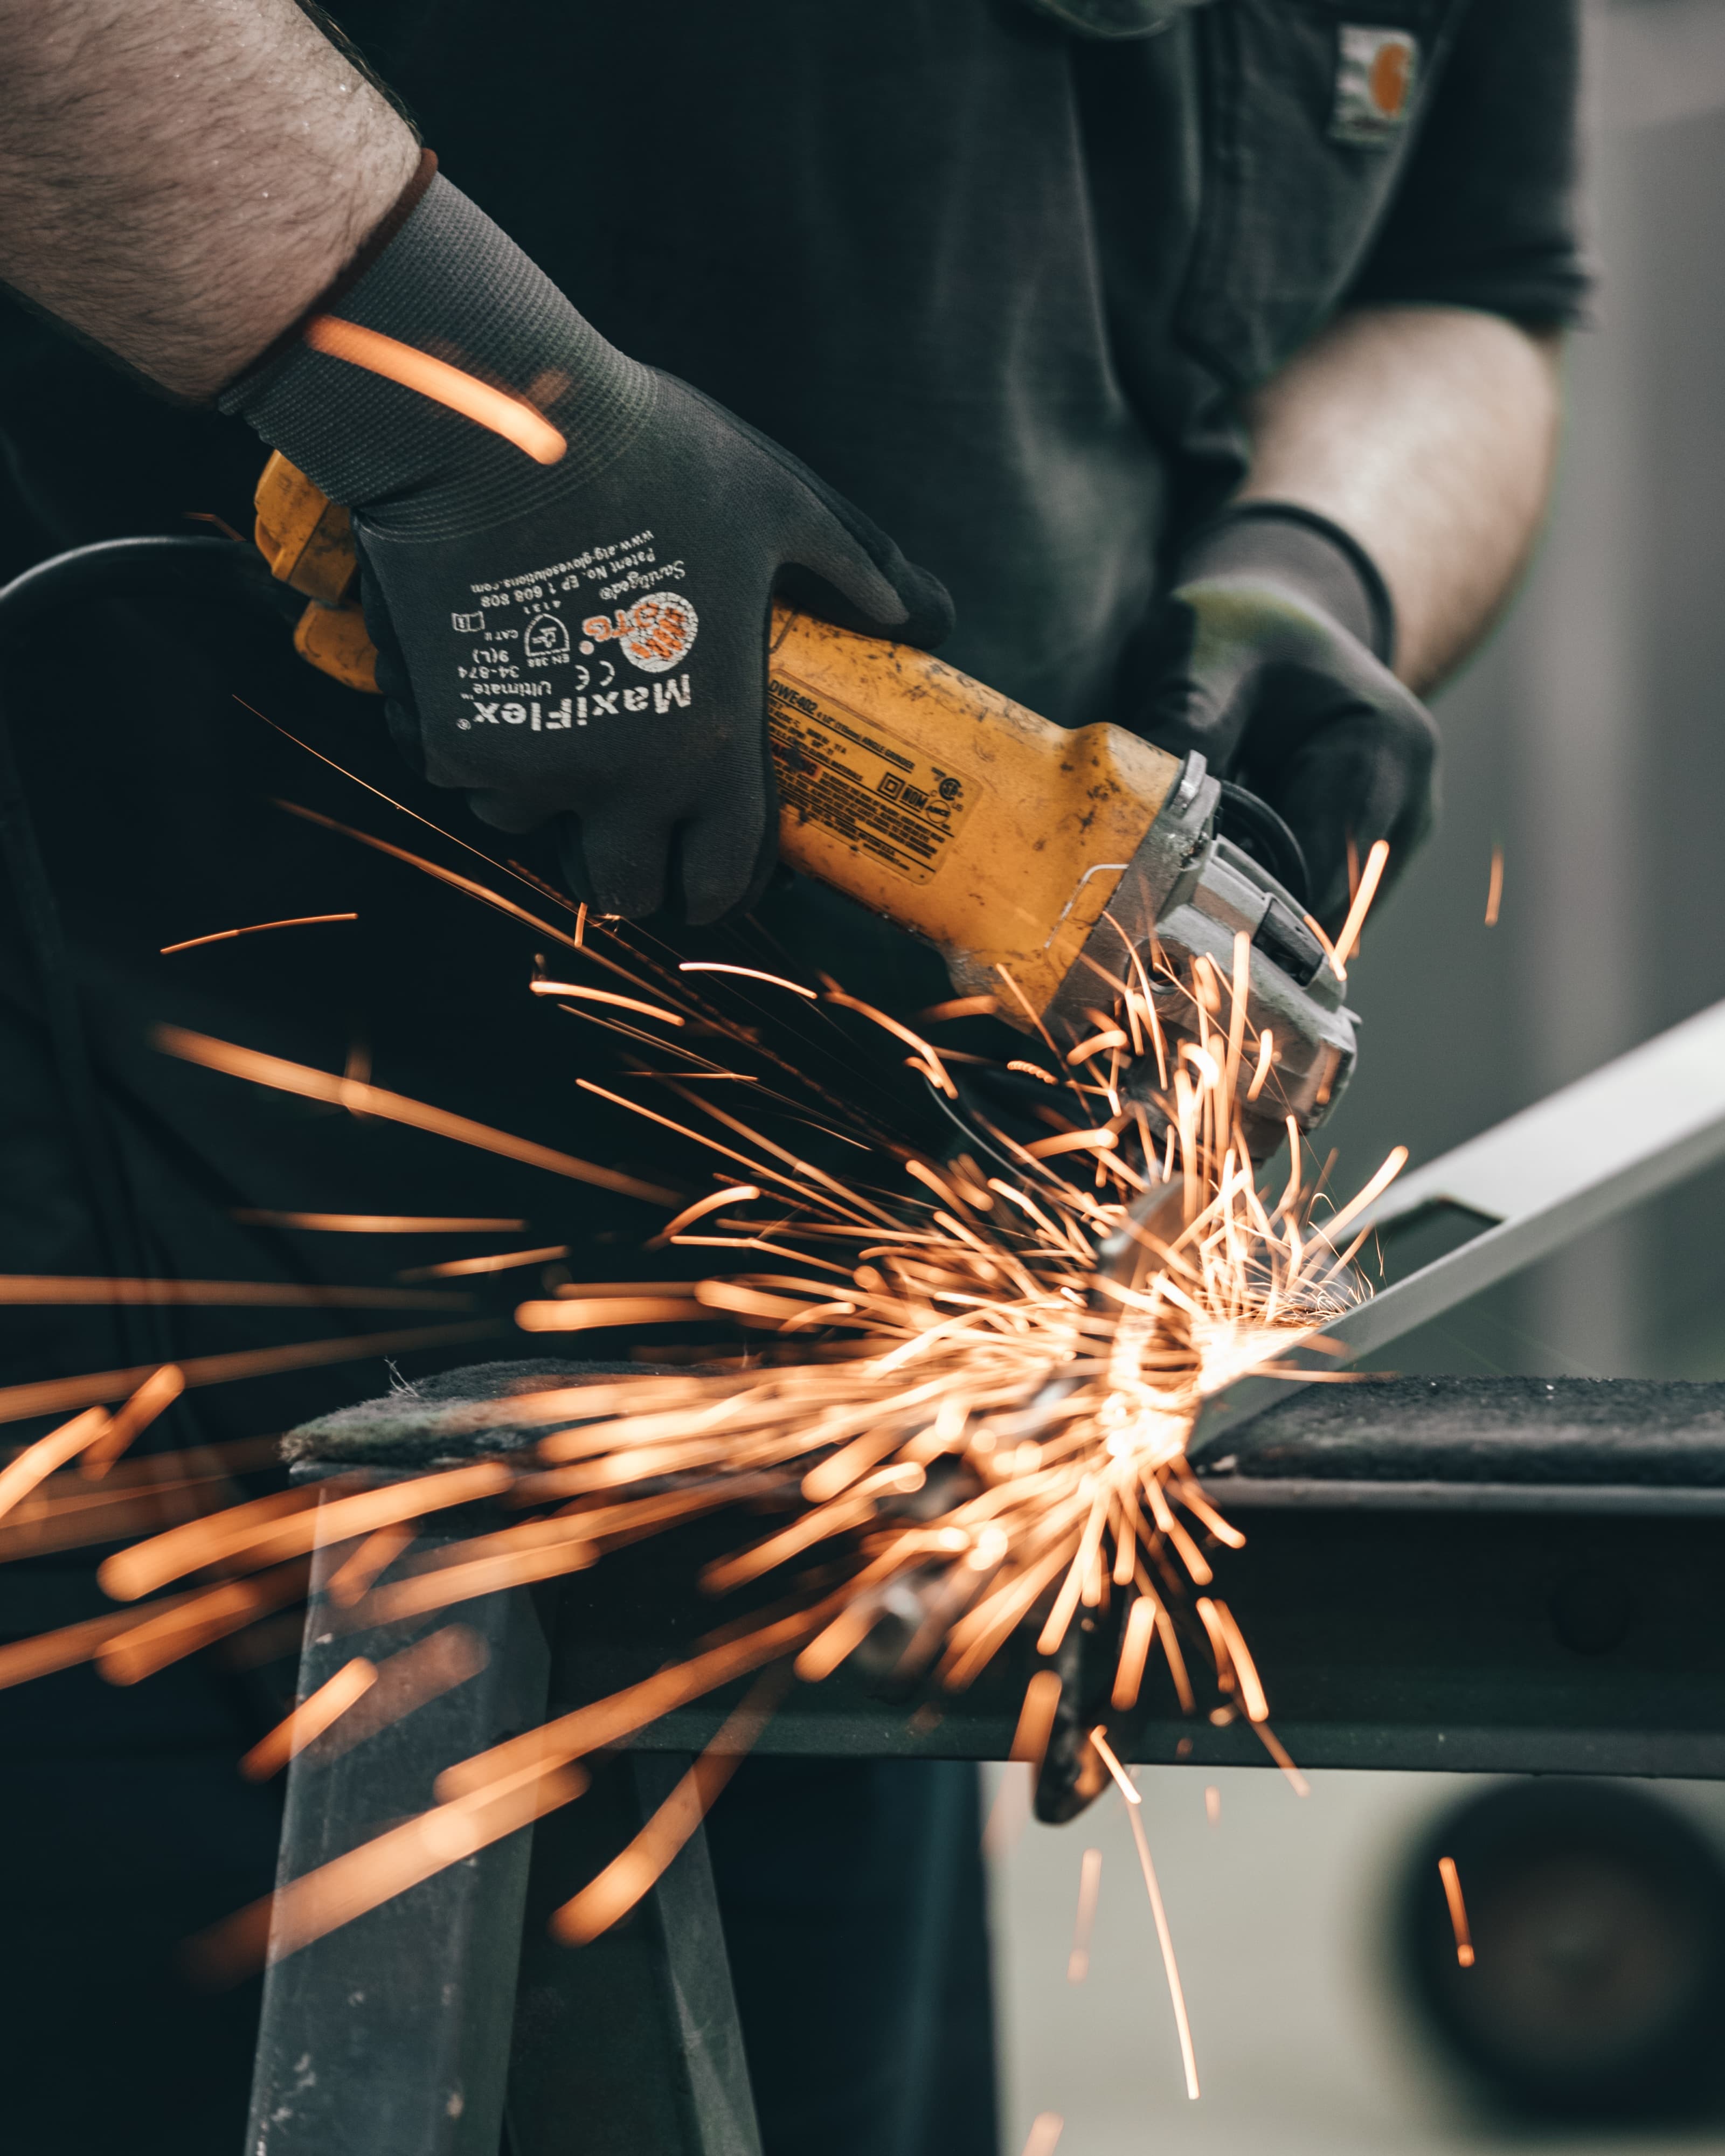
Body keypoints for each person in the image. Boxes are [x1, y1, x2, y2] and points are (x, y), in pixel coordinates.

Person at [0, 2, 1585, 2151]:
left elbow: (1474, 291)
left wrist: (1316, 569)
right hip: (138, 1397)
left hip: (840, 1414)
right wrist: (437, 383)